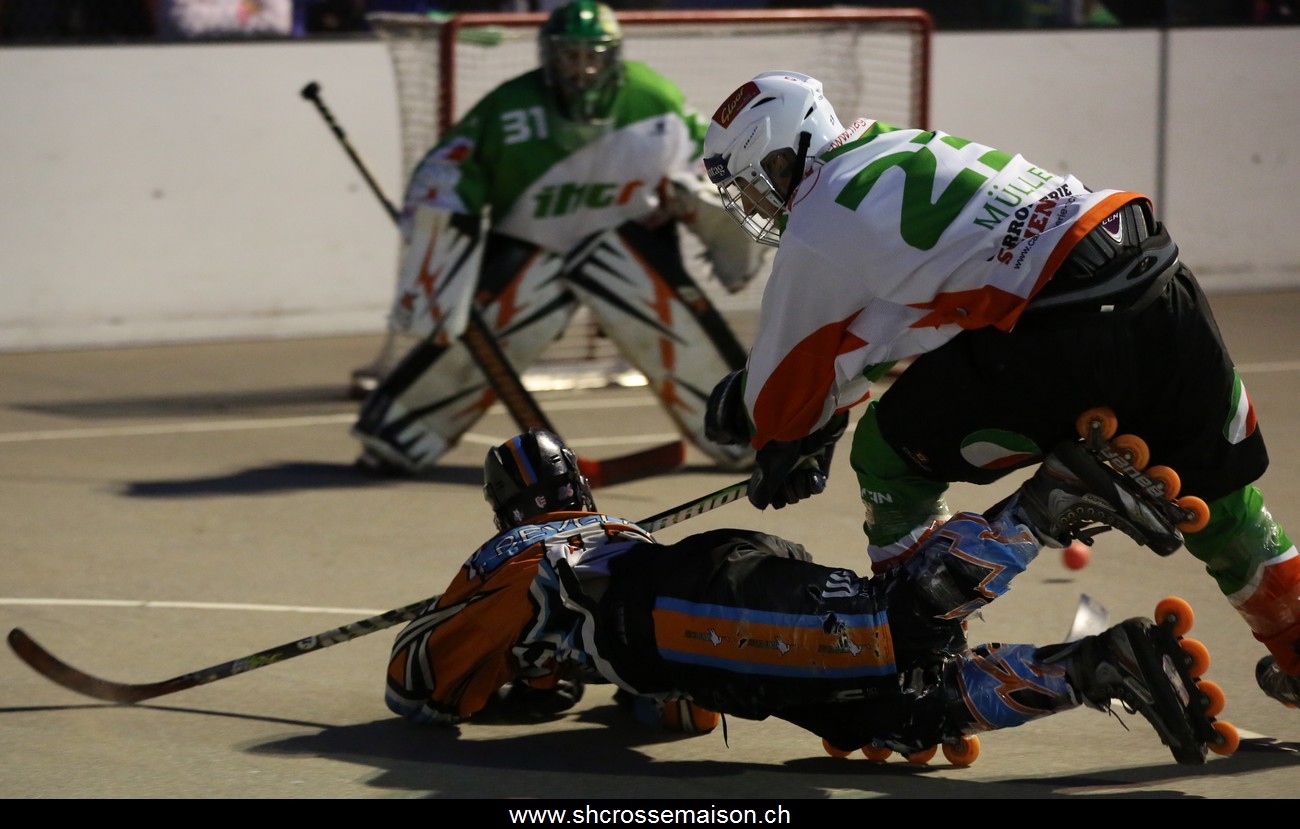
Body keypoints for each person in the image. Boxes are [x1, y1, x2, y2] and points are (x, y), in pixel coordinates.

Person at [697, 70, 1299, 709]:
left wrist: (778, 434)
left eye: (755, 185)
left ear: (785, 154)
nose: (756, 206)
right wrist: (825, 410)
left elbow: (781, 393)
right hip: (1156, 279)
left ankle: (919, 656)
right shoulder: (899, 147)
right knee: (1217, 496)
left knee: (885, 457)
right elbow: (901, 318)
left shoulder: (818, 217)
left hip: (1065, 334)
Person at [384, 428, 1235, 765]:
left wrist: (515, 672)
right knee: (899, 712)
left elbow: (416, 681)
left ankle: (1049, 500)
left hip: (681, 604)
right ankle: (1101, 665)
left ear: (504, 507)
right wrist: (564, 680)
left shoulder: (511, 560)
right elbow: (680, 709)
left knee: (886, 629)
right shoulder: (607, 536)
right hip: (696, 618)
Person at [351, 0, 764, 473]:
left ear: (614, 55)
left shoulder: (652, 98)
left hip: (625, 242)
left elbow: (708, 161)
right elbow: (448, 170)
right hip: (532, 246)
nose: (582, 68)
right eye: (570, 55)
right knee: (485, 336)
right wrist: (438, 226)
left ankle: (743, 435)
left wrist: (697, 201)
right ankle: (397, 435)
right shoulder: (509, 108)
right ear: (549, 56)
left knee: (681, 333)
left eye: (593, 55)